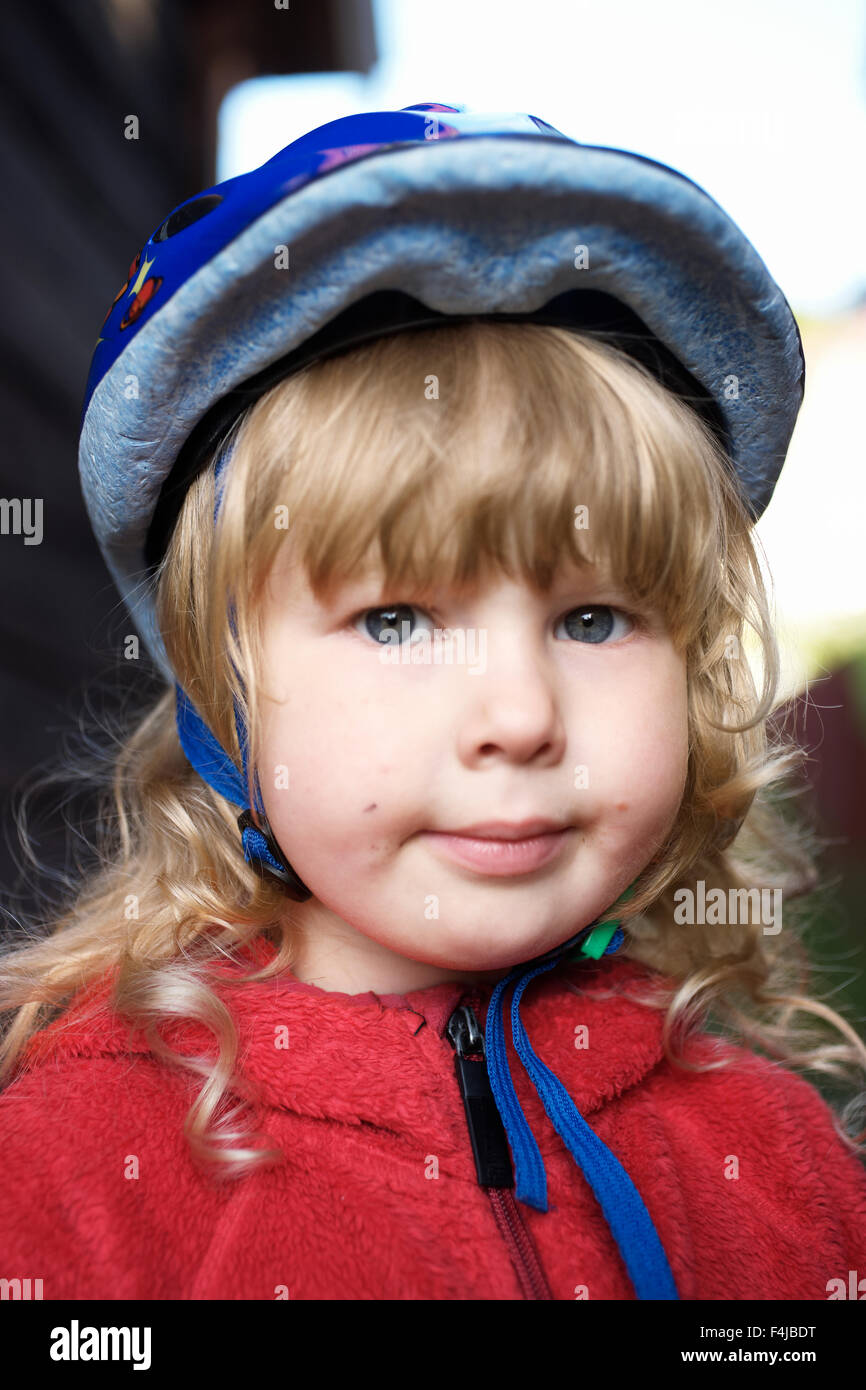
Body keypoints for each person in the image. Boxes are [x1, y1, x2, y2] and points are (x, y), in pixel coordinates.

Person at [0, 102, 864, 1302]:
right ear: (224, 688)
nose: (517, 715)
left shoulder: (776, 1158)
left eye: (593, 619)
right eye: (396, 620)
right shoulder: (79, 1173)